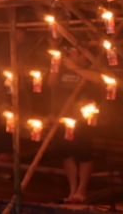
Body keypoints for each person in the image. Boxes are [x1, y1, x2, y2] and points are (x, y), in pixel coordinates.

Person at [48, 45, 112, 204]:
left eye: (75, 52)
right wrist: (55, 66)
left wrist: (75, 68)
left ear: (84, 55)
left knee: (83, 153)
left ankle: (82, 189)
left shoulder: (93, 66)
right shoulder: (63, 67)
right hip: (64, 116)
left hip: (84, 117)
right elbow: (51, 82)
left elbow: (100, 79)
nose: (71, 54)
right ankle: (73, 189)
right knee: (67, 153)